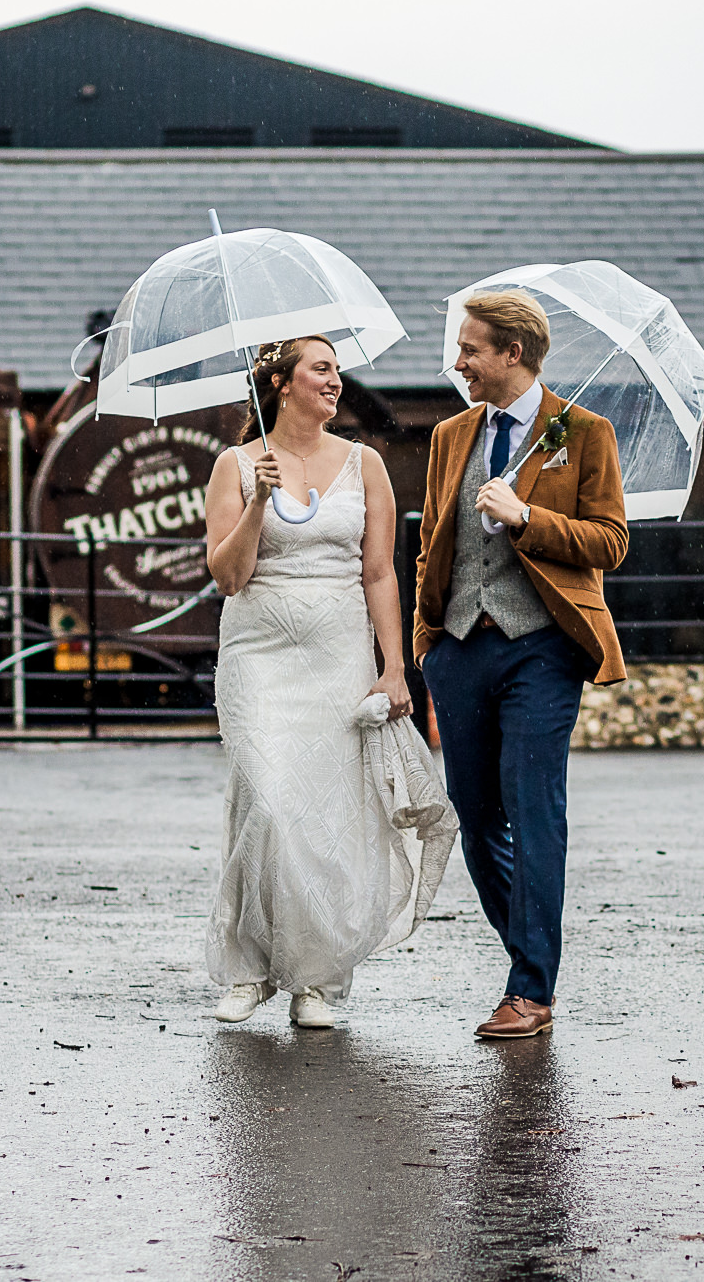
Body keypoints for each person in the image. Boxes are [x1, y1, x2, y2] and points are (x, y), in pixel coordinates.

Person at [203, 336, 454, 1029]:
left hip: (339, 655)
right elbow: (228, 576)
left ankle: (318, 978)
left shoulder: (366, 463)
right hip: (259, 657)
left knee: (329, 815)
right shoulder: (234, 464)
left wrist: (393, 665)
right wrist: (257, 503)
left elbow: (379, 571)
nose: (337, 380)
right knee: (271, 806)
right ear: (282, 383)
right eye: (322, 368)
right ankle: (249, 965)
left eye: (338, 370)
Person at [413, 291, 628, 1039]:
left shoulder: (584, 432)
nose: (458, 361)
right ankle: (532, 956)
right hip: (460, 649)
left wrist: (528, 518)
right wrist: (427, 641)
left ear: (514, 352)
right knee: (476, 817)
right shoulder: (449, 434)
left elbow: (610, 541)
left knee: (534, 810)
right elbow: (430, 544)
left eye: (471, 348)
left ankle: (529, 988)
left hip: (542, 646)